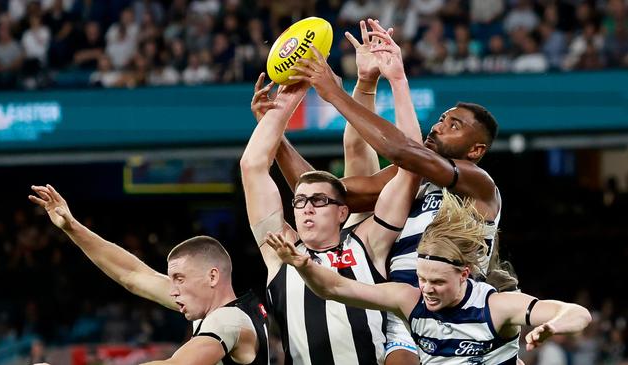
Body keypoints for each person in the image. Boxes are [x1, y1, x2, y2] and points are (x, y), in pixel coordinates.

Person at [264, 19, 503, 365]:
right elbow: (327, 197)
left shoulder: (479, 184)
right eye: (441, 118)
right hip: (401, 309)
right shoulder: (408, 177)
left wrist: (336, 93)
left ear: (476, 150)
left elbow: (405, 151)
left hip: (458, 312)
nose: (439, 126)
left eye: (455, 125)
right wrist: (275, 135)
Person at [240, 33, 423, 363]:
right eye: (299, 201)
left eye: (319, 201)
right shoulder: (280, 252)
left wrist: (393, 79)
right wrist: (288, 96)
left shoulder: (366, 243)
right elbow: (252, 166)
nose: (306, 207)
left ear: (343, 212)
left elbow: (410, 167)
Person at [265, 190, 592, 364]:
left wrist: (552, 326)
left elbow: (577, 313)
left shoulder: (498, 307)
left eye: (438, 282)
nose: (427, 289)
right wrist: (303, 264)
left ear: (464, 274)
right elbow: (335, 287)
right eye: (422, 278)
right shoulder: (408, 299)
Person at [28, 184, 268, 365]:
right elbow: (132, 274)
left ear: (212, 277)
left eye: (180, 279)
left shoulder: (228, 321)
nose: (173, 290)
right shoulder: (215, 309)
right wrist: (73, 228)